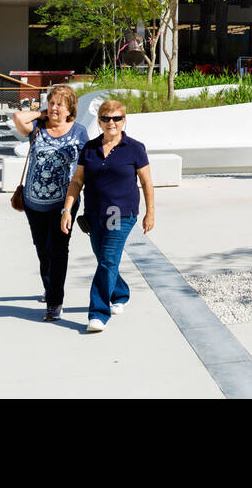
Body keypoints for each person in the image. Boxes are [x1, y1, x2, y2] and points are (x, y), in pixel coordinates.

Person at [61, 99, 155, 333]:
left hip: (121, 214)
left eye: (116, 118)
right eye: (106, 118)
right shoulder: (90, 148)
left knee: (108, 260)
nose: (111, 123)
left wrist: (150, 212)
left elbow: (146, 182)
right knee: (104, 258)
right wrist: (67, 210)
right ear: (99, 121)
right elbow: (77, 181)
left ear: (124, 120)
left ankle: (98, 314)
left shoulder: (135, 148)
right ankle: (121, 293)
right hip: (94, 214)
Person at [12, 85, 88, 322]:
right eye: (52, 103)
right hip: (34, 202)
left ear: (70, 110)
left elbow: (85, 168)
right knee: (41, 248)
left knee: (57, 250)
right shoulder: (38, 127)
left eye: (60, 105)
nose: (55, 108)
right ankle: (49, 287)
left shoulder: (79, 132)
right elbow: (17, 117)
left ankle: (55, 302)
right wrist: (41, 114)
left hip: (63, 203)